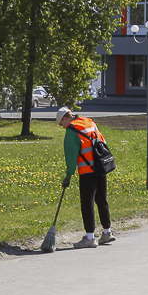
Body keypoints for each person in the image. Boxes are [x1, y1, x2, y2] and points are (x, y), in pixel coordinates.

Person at [58, 106, 113, 248]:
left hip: (87, 170)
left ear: (65, 118)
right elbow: (102, 141)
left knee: (87, 203)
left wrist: (68, 175)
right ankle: (107, 232)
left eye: (61, 123)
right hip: (101, 166)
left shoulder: (72, 129)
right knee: (102, 200)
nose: (62, 126)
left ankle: (90, 237)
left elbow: (71, 155)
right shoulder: (89, 122)